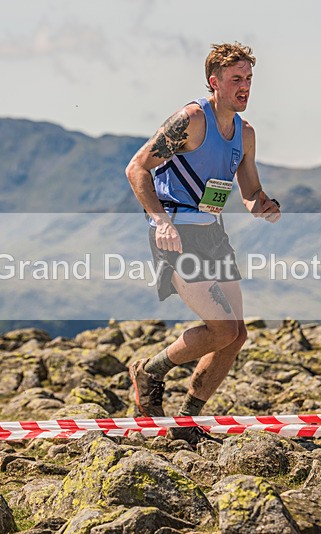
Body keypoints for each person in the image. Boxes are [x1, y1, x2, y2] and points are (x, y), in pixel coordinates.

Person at [124, 42, 281, 445]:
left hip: (213, 233)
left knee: (237, 334)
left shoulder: (245, 134)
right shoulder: (192, 119)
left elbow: (249, 191)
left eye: (248, 79)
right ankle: (150, 371)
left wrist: (261, 205)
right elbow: (136, 167)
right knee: (221, 327)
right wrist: (159, 220)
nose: (244, 87)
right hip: (176, 231)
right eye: (235, 80)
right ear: (214, 83)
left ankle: (186, 420)